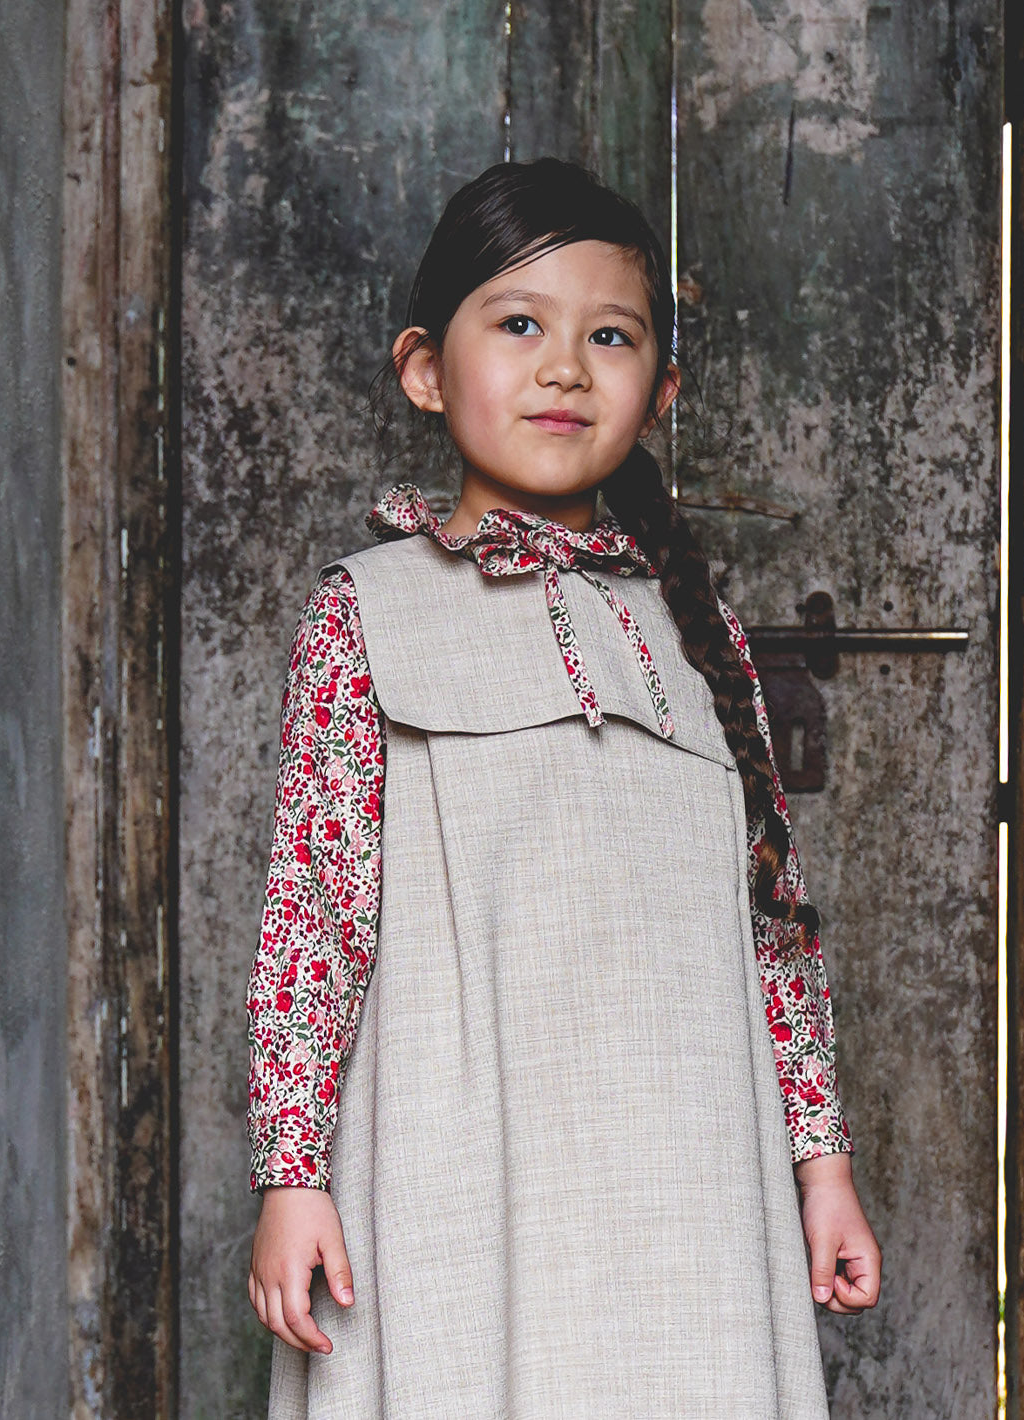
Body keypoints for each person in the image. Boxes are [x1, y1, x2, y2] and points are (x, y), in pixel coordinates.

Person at [246, 155, 881, 1418]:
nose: (564, 369)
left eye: (609, 336)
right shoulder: (367, 614)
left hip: (687, 1167)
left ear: (659, 392)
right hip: (453, 1165)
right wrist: (291, 1172)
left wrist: (821, 1169)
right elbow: (313, 919)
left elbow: (775, 928)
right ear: (425, 369)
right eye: (518, 325)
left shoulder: (701, 637)